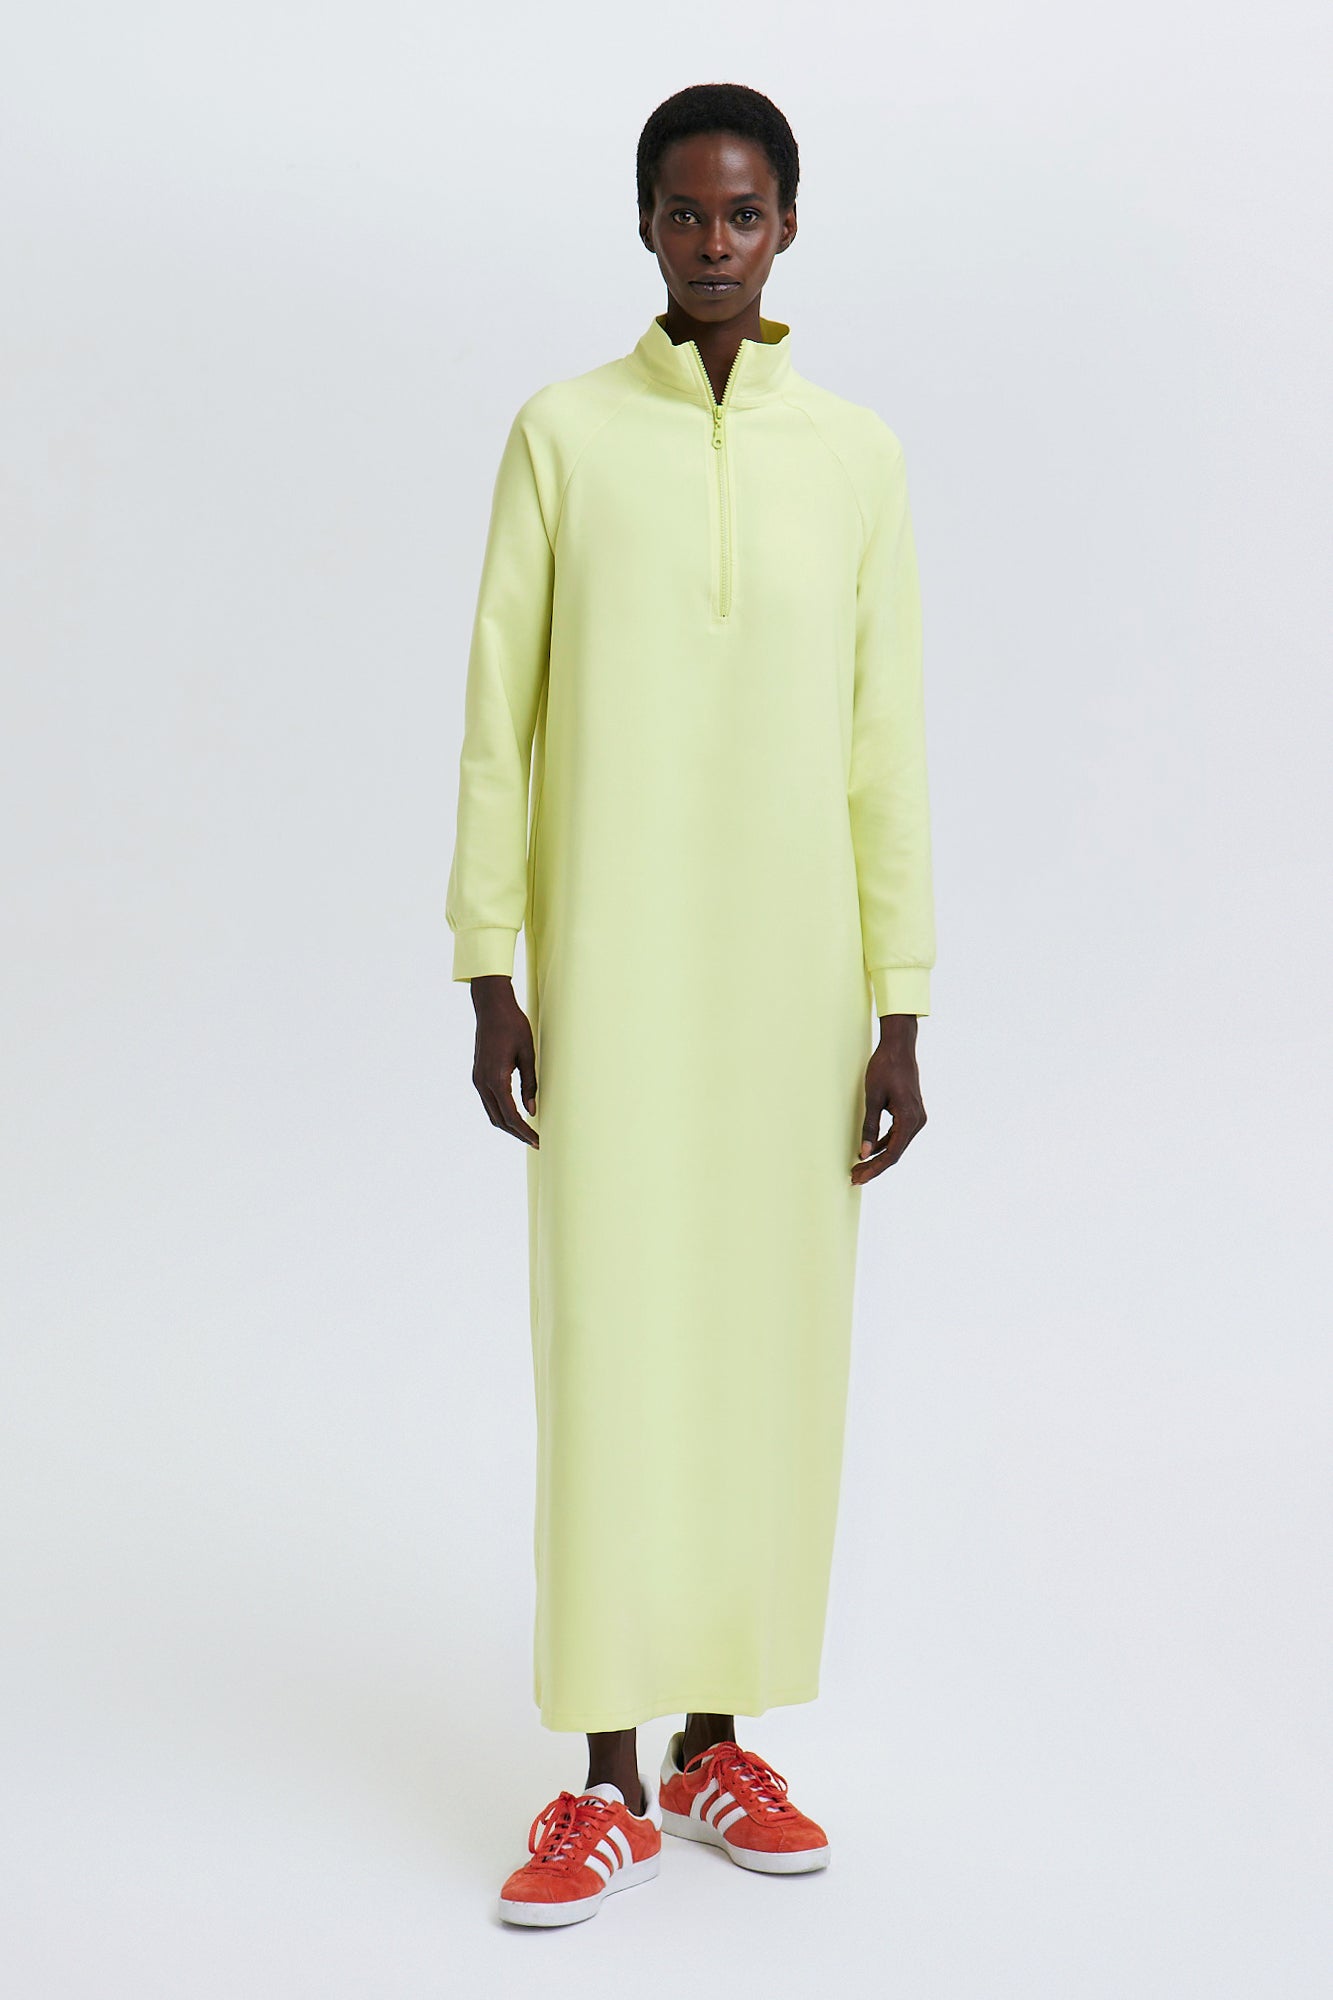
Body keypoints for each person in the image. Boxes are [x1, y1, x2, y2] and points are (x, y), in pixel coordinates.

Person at [445, 81, 936, 1927]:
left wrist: (898, 1004)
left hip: (793, 988)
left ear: (788, 227)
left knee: (765, 1353)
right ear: (643, 226)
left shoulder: (856, 458)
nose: (712, 243)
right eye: (682, 212)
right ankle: (603, 1776)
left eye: (741, 214)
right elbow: (499, 713)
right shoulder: (563, 436)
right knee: (613, 1348)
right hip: (612, 971)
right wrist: (490, 966)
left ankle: (720, 1742)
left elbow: (884, 743)